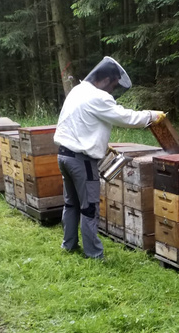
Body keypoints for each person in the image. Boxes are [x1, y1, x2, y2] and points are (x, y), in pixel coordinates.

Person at [53, 56, 165, 260]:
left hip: (64, 155)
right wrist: (151, 116)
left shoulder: (78, 91)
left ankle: (68, 245)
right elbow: (126, 118)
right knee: (89, 207)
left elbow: (81, 123)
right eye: (113, 85)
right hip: (81, 161)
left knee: (71, 203)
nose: (112, 90)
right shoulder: (98, 97)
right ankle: (94, 254)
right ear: (105, 79)